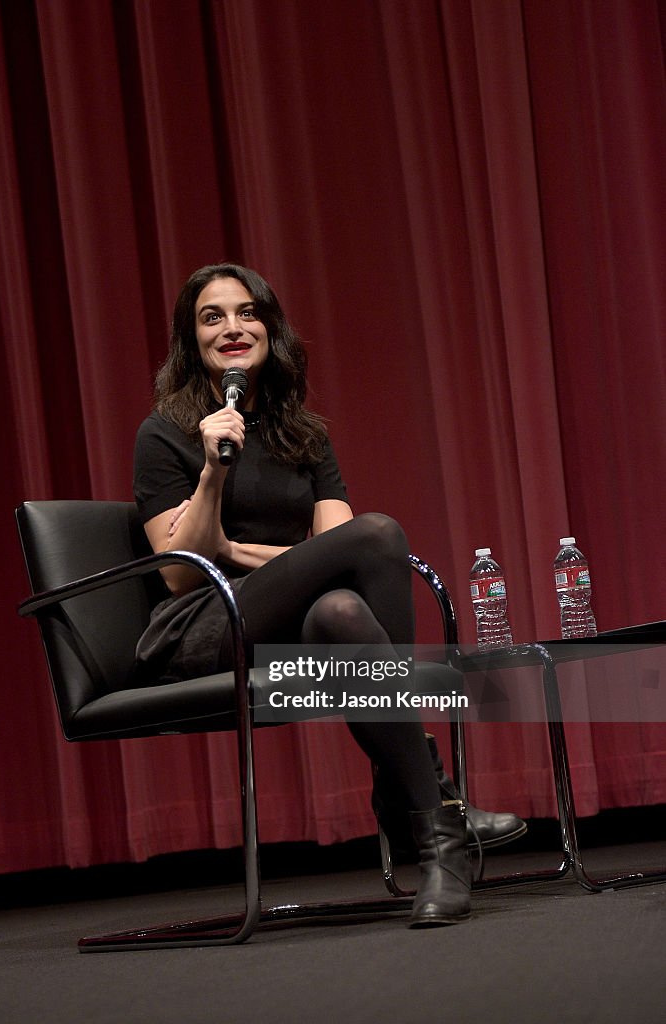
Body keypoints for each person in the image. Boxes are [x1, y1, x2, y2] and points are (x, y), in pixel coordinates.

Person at [133, 263, 524, 927]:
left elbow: (337, 559)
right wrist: (209, 476)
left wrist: (235, 549)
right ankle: (431, 811)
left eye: (246, 312)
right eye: (211, 317)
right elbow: (181, 570)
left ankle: (421, 819)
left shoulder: (304, 435)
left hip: (295, 626)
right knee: (380, 534)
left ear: (269, 328)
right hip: (208, 627)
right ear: (191, 340)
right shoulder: (165, 432)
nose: (232, 327)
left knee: (344, 607)